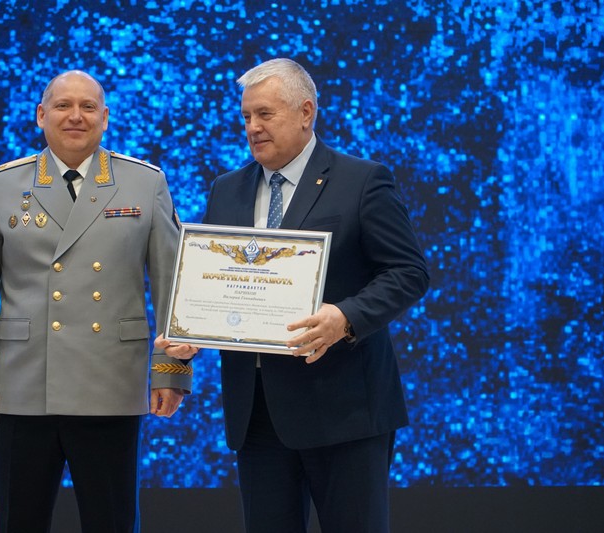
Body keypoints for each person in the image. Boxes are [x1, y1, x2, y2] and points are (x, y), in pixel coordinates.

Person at [160, 58, 429, 532]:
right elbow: (218, 284)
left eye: (265, 114)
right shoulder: (226, 189)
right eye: (246, 116)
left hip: (344, 410)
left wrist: (345, 317)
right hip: (257, 414)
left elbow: (409, 272)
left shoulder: (363, 180)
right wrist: (193, 333)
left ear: (306, 112)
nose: (252, 127)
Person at [0, 70, 192, 533]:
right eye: (63, 105)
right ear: (40, 115)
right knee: (18, 522)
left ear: (105, 118)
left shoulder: (145, 183)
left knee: (113, 522)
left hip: (111, 383)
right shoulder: (1, 186)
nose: (76, 116)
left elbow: (171, 281)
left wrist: (171, 370)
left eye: (88, 107)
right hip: (24, 385)